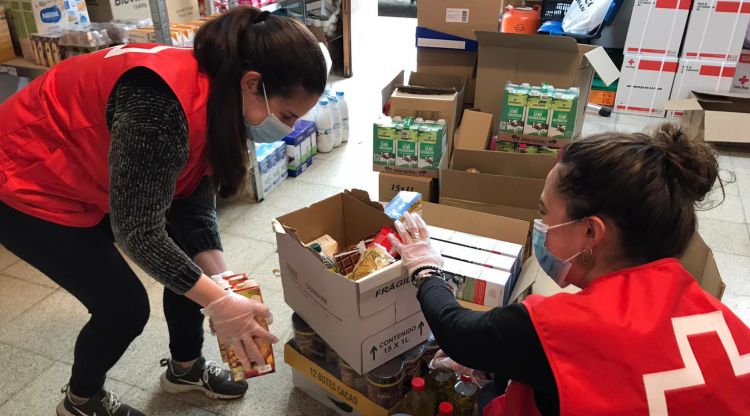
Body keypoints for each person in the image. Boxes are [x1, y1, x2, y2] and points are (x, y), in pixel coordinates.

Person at [0, 7, 327, 416]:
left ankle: (184, 369)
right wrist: (220, 304)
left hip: (89, 167)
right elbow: (138, 231)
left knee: (194, 271)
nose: (289, 129)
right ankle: (81, 400)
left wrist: (221, 282)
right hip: (27, 176)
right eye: (286, 116)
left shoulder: (220, 97)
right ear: (252, 83)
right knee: (122, 308)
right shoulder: (161, 108)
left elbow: (191, 202)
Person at [390, 124, 750, 415]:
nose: (539, 225)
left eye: (545, 213)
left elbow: (458, 334)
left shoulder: (563, 326)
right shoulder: (718, 317)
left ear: (591, 231)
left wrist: (425, 267)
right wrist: (500, 363)